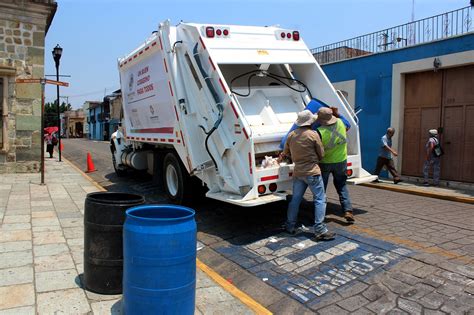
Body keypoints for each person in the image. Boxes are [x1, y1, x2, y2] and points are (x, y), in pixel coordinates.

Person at [279, 110, 335, 241]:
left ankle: (290, 225)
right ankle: (320, 229)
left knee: (295, 200)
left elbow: (286, 153)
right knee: (320, 199)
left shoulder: (291, 135)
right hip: (312, 172)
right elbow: (321, 154)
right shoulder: (313, 135)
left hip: (298, 172)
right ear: (311, 122)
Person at [316, 107, 354, 223]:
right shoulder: (342, 123)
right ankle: (348, 211)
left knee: (322, 189)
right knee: (342, 186)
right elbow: (349, 124)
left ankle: (320, 214)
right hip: (341, 161)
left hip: (325, 163)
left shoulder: (319, 131)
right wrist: (338, 113)